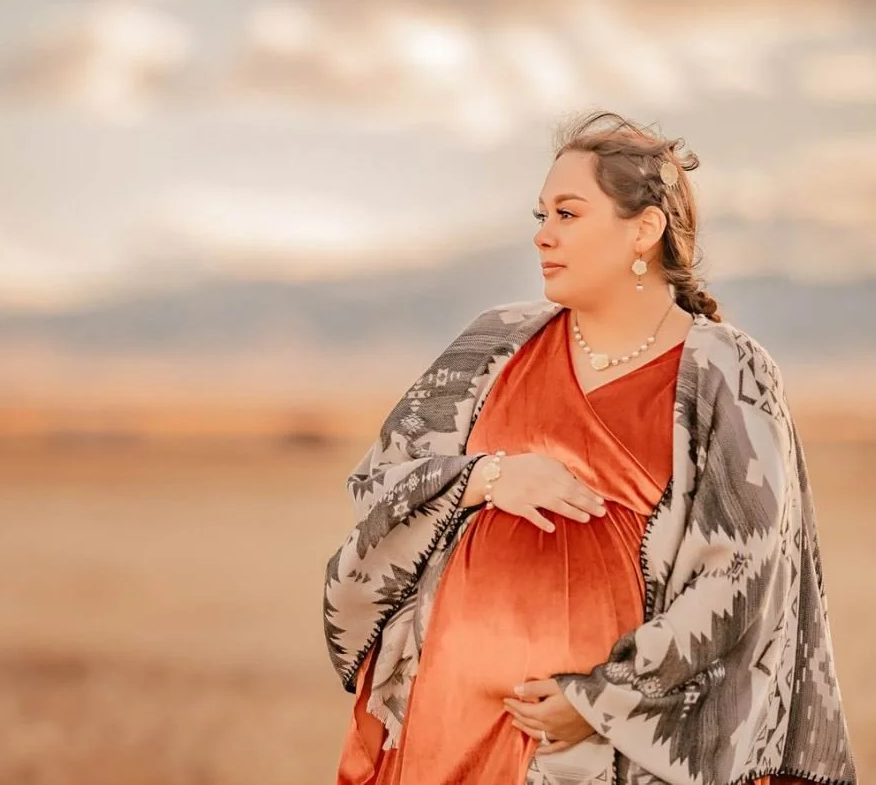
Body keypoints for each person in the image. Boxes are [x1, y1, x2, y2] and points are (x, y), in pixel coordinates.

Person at [323, 111, 858, 785]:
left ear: (644, 228)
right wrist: (487, 477)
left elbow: (743, 572)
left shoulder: (726, 369)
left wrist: (598, 700)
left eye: (568, 214)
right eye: (541, 214)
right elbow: (382, 483)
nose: (543, 235)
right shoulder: (494, 344)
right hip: (447, 713)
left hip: (607, 747)